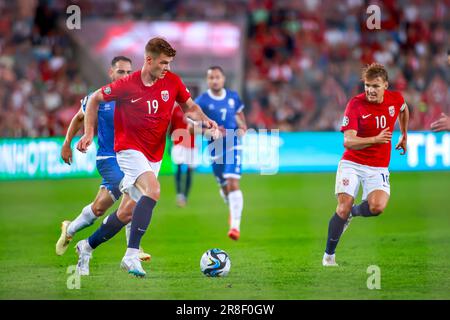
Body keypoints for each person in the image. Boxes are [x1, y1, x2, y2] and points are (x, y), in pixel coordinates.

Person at [76, 37, 218, 277]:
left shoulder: (172, 82)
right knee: (153, 190)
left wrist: (205, 119)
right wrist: (89, 133)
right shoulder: (127, 84)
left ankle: (86, 246)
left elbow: (190, 107)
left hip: (154, 155)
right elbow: (94, 100)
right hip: (129, 150)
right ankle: (131, 255)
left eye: (170, 63)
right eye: (163, 63)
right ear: (149, 60)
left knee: (125, 213)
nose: (167, 68)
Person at [56, 56, 151, 264]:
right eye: (120, 72)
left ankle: (70, 228)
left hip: (129, 159)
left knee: (98, 208)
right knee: (133, 188)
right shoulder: (99, 97)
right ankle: (133, 247)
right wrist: (67, 143)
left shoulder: (137, 98)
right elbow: (78, 118)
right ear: (111, 73)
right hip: (108, 158)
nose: (125, 76)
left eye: (128, 72)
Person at [323, 63, 409, 266]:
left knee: (377, 207)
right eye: (367, 85)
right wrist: (375, 139)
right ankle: (329, 256)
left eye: (375, 86)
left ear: (385, 86)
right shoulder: (355, 104)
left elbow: (404, 110)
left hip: (378, 166)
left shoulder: (395, 99)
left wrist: (404, 134)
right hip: (352, 162)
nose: (370, 90)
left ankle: (354, 212)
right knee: (342, 208)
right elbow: (348, 141)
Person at [195, 66, 247, 241]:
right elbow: (190, 127)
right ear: (207, 81)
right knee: (225, 188)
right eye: (211, 78)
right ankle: (232, 205)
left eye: (217, 77)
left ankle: (235, 226)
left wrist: (243, 127)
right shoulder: (201, 102)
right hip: (215, 148)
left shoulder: (233, 97)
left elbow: (239, 115)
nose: (215, 80)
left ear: (223, 79)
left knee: (233, 182)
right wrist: (207, 132)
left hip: (233, 143)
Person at [169, 104, 196, 207]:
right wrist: (170, 142)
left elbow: (197, 128)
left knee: (189, 170)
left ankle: (185, 195)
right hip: (178, 144)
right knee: (179, 168)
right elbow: (171, 127)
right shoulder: (176, 109)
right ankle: (179, 195)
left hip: (191, 145)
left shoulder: (194, 110)